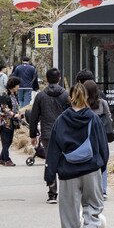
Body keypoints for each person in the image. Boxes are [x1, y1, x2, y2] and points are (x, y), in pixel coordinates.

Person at [46, 82, 109, 228]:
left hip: (68, 171)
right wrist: (102, 166)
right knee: (94, 203)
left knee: (69, 209)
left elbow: (53, 148)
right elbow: (103, 145)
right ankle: (90, 225)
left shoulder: (61, 120)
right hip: (91, 168)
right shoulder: (93, 118)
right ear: (86, 97)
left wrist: (50, 173)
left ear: (70, 97)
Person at [27, 67, 70, 204]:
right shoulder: (65, 95)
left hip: (47, 133)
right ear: (59, 79)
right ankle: (67, 192)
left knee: (50, 161)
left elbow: (34, 117)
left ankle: (52, 193)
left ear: (46, 79)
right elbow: (71, 115)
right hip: (63, 133)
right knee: (64, 161)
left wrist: (33, 134)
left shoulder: (41, 96)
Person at [75, 71, 114, 197]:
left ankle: (87, 189)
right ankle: (103, 190)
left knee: (86, 161)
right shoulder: (102, 102)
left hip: (85, 137)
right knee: (103, 161)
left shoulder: (81, 103)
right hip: (101, 136)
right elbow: (109, 117)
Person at [0, 76, 23, 167]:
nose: (18, 87)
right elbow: (4, 108)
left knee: (9, 141)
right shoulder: (5, 95)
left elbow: (16, 106)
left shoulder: (14, 95)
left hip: (11, 122)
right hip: (4, 122)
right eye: (17, 85)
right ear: (13, 85)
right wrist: (14, 114)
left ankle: (1, 159)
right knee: (6, 141)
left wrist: (18, 114)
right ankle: (6, 159)